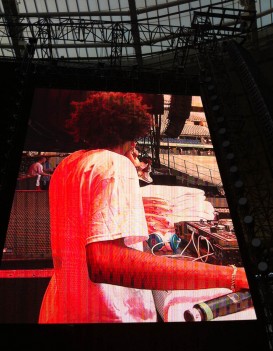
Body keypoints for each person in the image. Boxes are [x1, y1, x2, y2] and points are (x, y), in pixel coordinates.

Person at [39, 91, 249, 324]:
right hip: (107, 316)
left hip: (63, 311)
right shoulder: (114, 165)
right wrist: (231, 275)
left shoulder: (68, 165)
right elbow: (106, 263)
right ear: (133, 134)